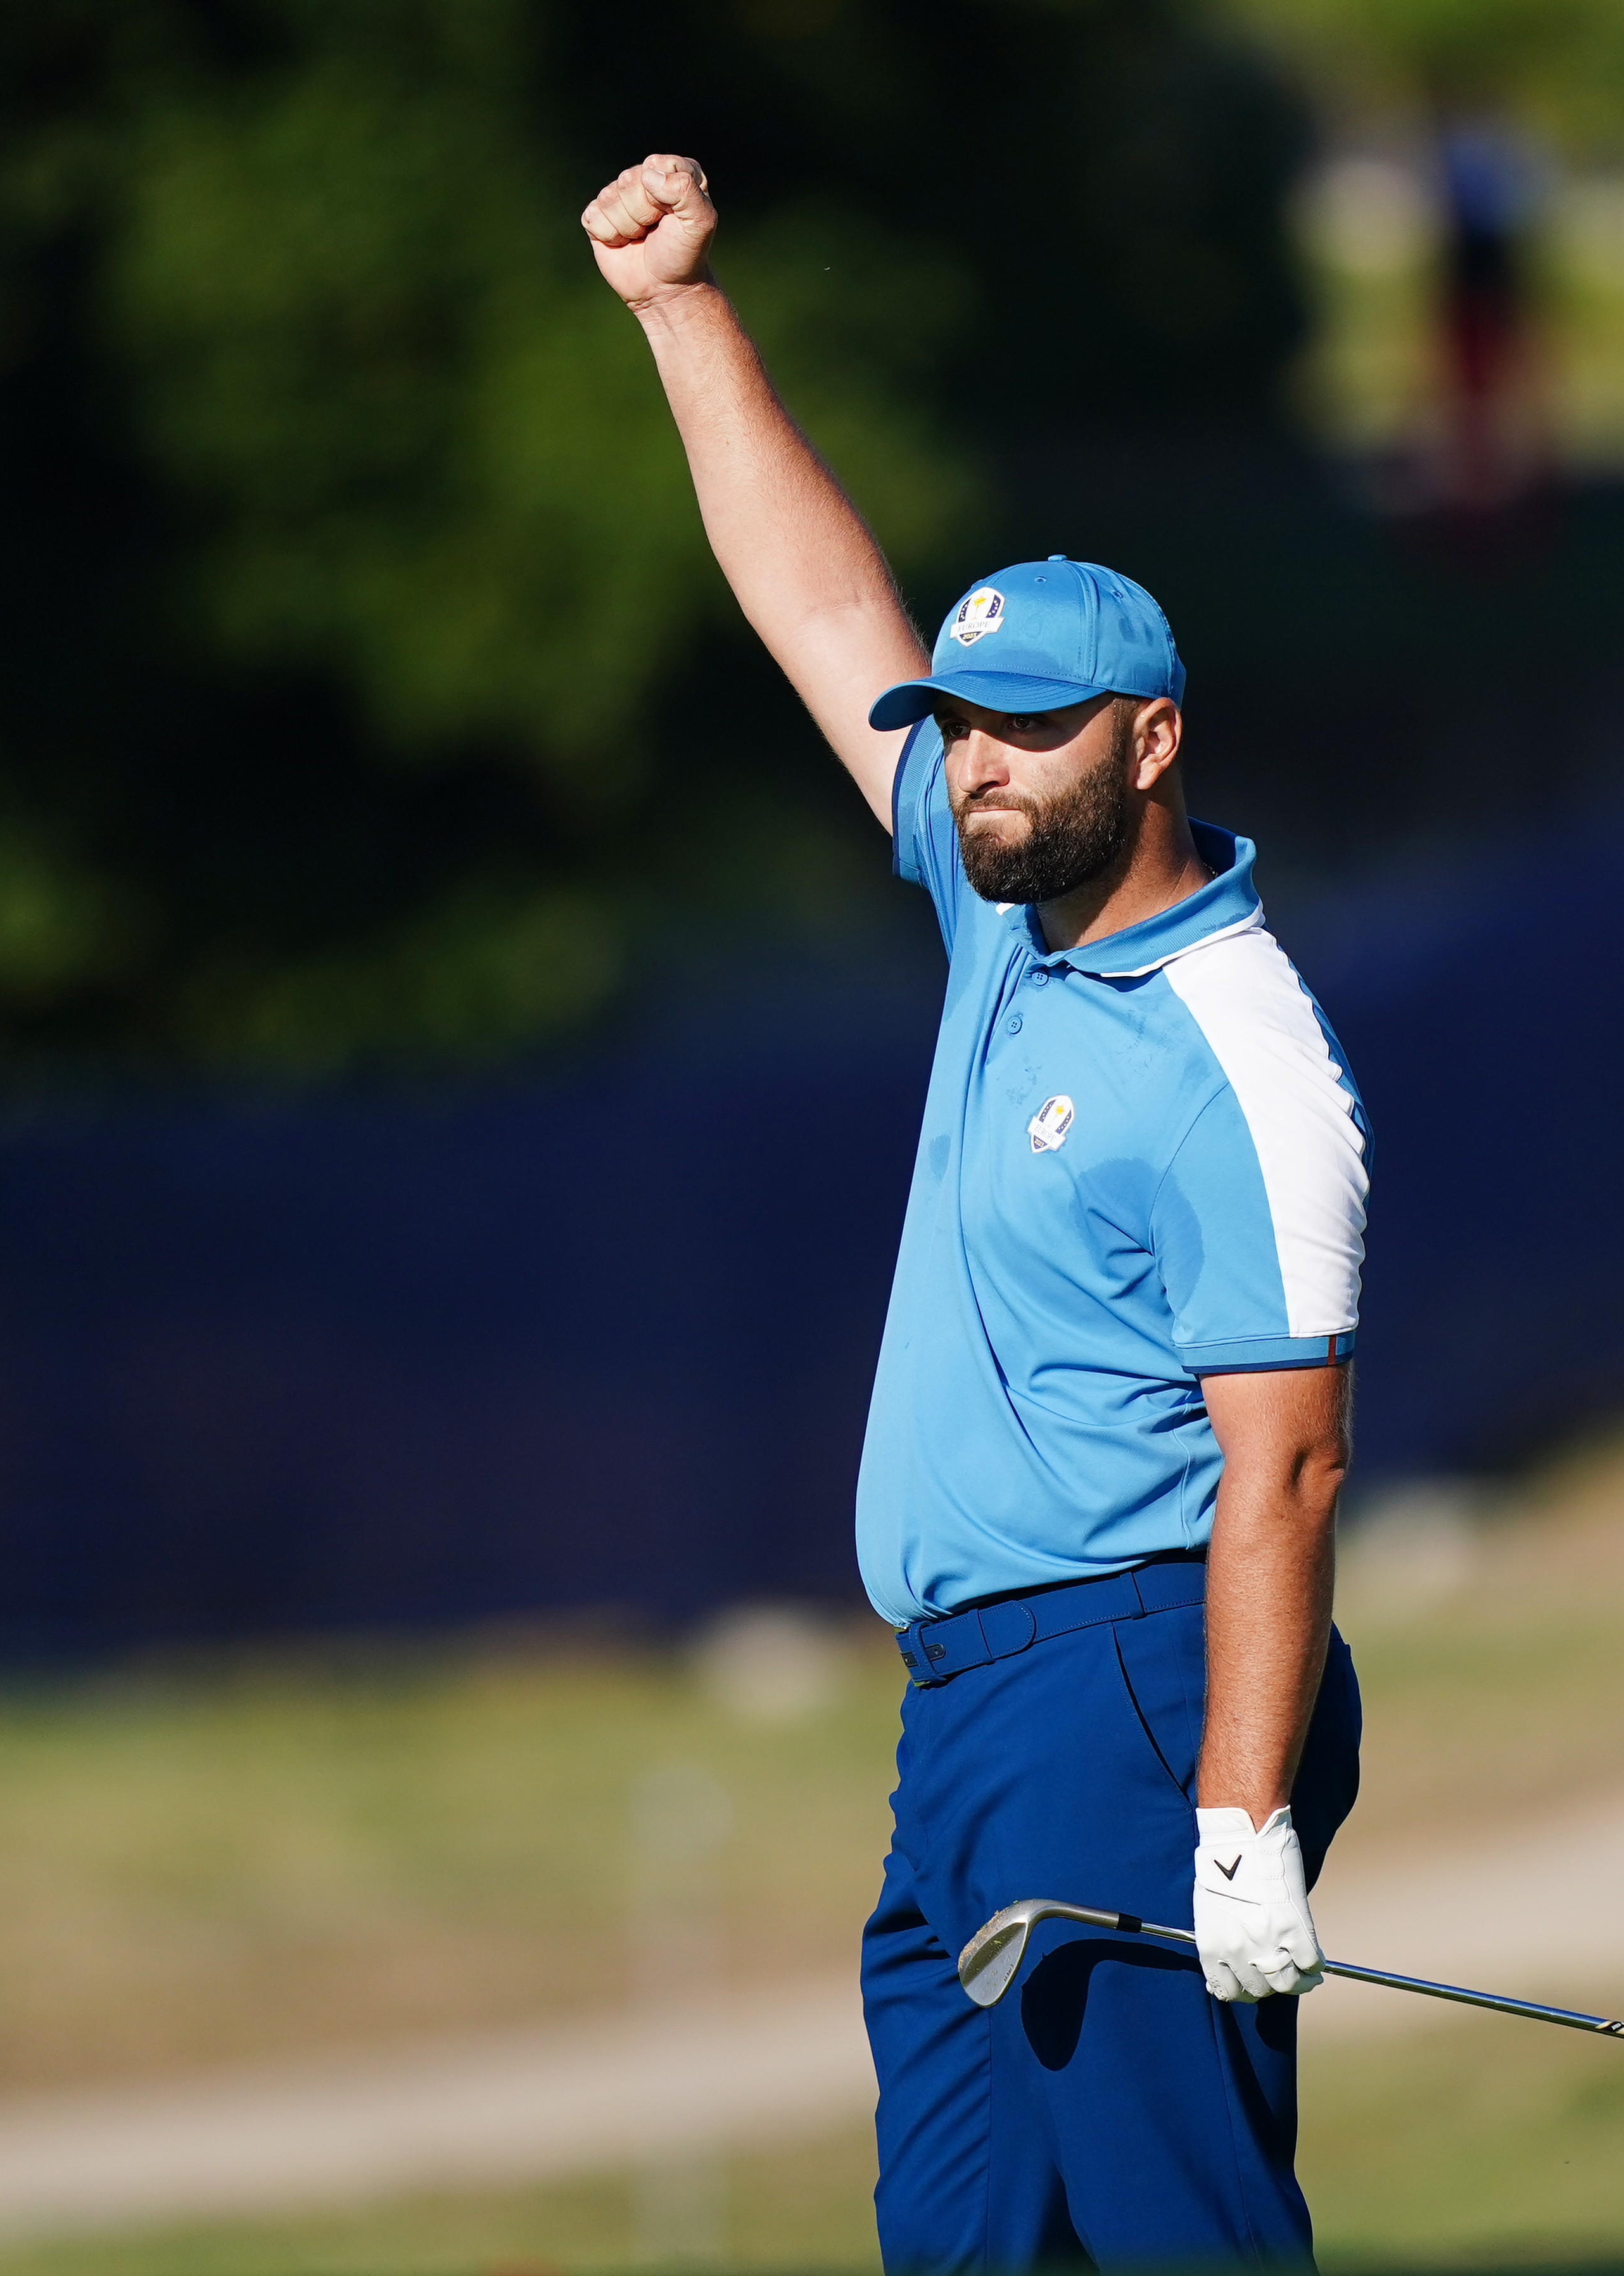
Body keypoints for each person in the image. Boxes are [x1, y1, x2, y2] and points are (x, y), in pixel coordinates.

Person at [581, 155, 1372, 2267]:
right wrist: (681, 312)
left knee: (1178, 2232)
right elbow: (818, 606)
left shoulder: (1239, 1052)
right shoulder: (1002, 901)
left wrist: (1236, 1816)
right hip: (968, 1709)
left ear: (1153, 738)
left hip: (1130, 1685)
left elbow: (1289, 1466)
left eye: (1029, 729)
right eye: (960, 730)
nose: (979, 765)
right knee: (964, 2242)